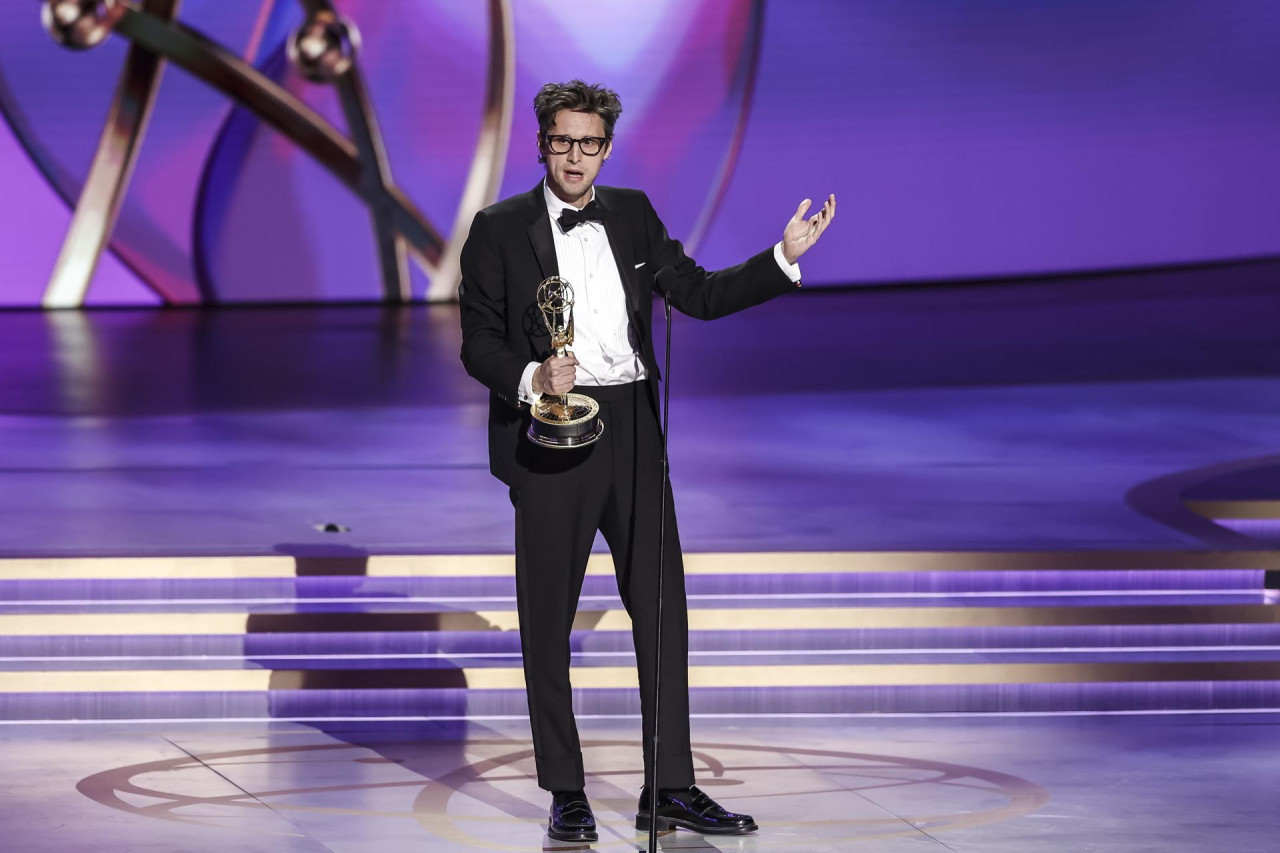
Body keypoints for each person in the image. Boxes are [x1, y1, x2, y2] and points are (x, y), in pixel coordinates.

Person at [459, 80, 835, 843]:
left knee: (663, 608)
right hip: (551, 431)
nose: (574, 155)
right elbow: (480, 341)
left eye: (588, 142)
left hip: (631, 426)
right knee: (547, 618)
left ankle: (669, 784)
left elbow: (693, 292)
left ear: (605, 147)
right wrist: (535, 380)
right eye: (562, 140)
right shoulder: (498, 227)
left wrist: (780, 260)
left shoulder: (631, 214)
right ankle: (567, 791)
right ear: (541, 143)